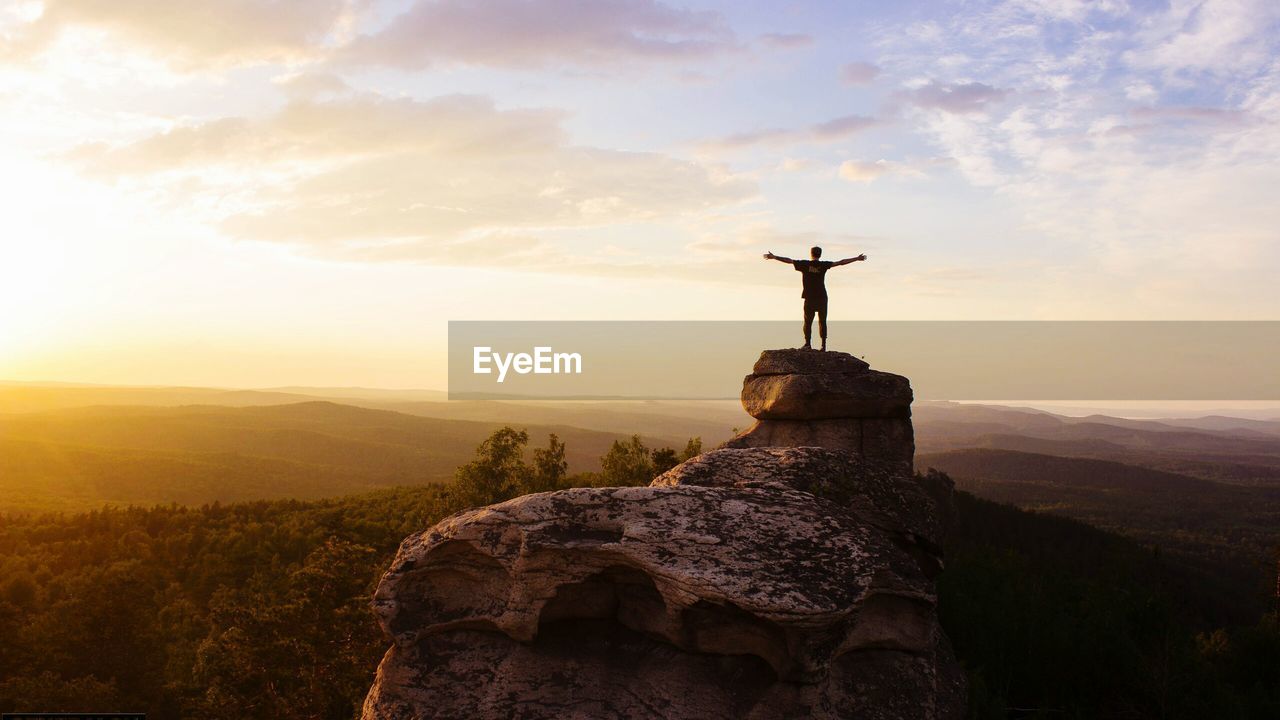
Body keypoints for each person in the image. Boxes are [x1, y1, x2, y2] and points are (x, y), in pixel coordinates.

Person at [763, 246, 867, 351]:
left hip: (810, 297)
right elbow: (841, 262)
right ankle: (823, 346)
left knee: (808, 322)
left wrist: (774, 257)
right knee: (822, 321)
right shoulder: (824, 265)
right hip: (822, 297)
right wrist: (856, 258)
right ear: (820, 255)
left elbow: (788, 260)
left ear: (811, 254)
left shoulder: (804, 264)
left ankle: (807, 344)